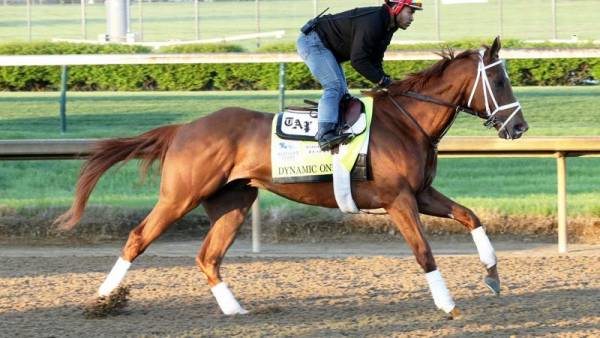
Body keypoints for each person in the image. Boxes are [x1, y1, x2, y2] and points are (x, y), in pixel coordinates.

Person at [296, 0, 423, 151]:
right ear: (397, 8)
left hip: (324, 45)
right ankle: (325, 135)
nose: (412, 18)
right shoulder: (375, 21)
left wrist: (388, 82)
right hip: (312, 42)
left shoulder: (388, 26)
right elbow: (359, 61)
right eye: (410, 12)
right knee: (334, 86)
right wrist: (384, 82)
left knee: (342, 93)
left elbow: (375, 60)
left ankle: (337, 129)